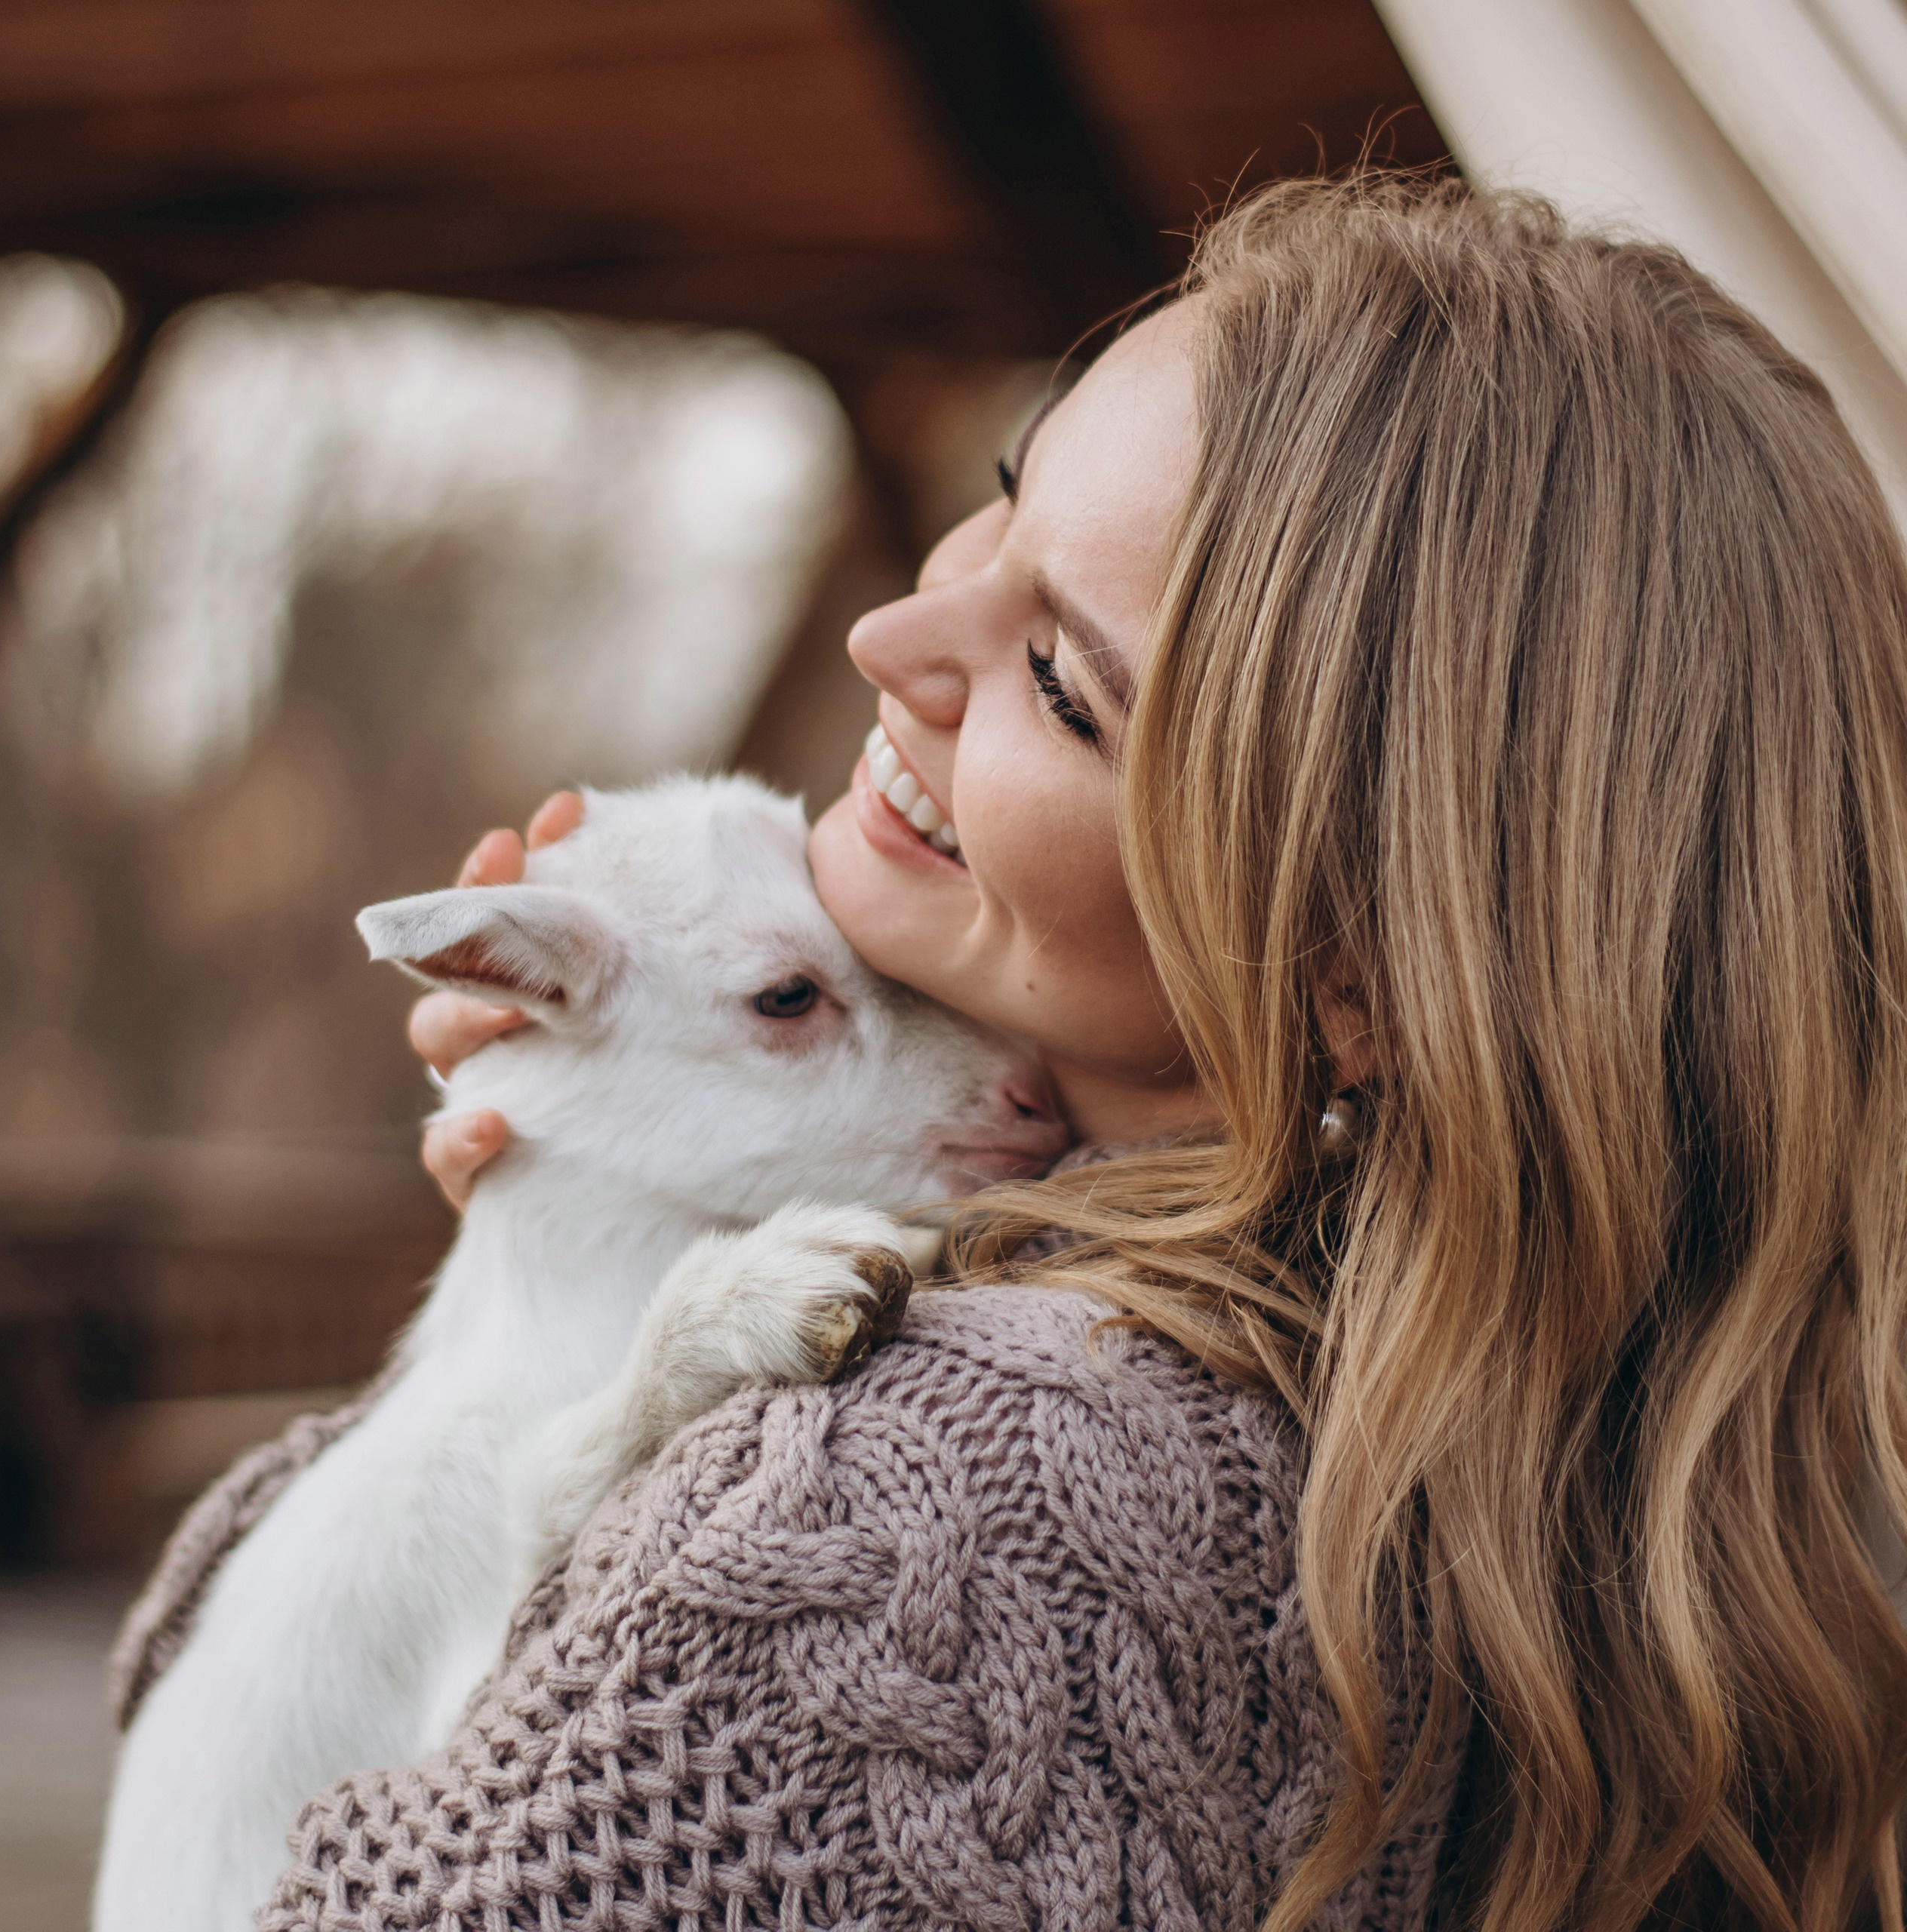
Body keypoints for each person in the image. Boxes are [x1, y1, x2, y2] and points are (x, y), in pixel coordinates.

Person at [120, 177, 1907, 1931]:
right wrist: (572, 1259)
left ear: (1354, 975)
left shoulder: (910, 1513)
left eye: (1061, 680)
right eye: (1000, 502)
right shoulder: (1655, 1454)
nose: (887, 639)